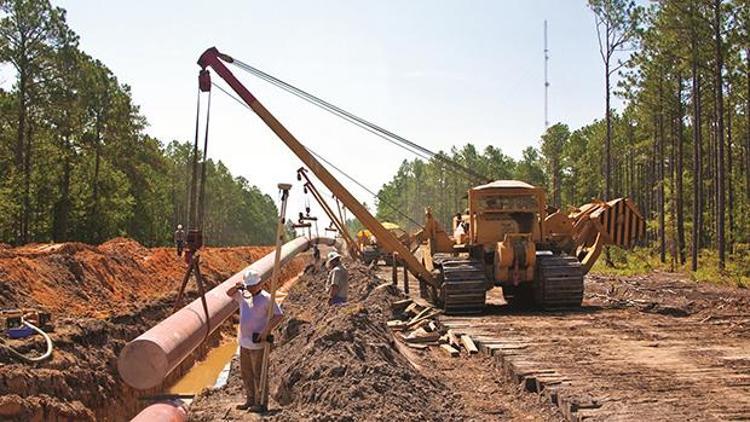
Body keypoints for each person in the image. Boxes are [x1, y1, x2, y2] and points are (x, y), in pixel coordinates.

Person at [225, 269, 284, 412]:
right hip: (244, 343)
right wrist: (237, 286)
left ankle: (261, 403)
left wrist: (265, 332)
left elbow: (278, 315)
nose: (250, 288)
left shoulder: (266, 298)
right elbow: (228, 293)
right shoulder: (243, 296)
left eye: (253, 286)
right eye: (248, 286)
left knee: (259, 374)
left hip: (259, 344)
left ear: (259, 284)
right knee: (246, 374)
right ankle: (250, 400)